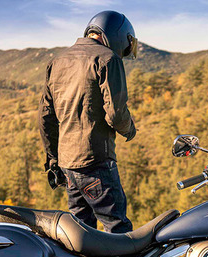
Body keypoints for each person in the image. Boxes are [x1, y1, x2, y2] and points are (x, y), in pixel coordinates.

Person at [39, 10, 139, 233]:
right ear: (118, 35)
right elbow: (115, 114)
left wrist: (53, 159)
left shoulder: (57, 62)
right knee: (118, 230)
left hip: (68, 165)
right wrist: (130, 130)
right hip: (95, 162)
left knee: (81, 234)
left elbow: (46, 118)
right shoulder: (107, 59)